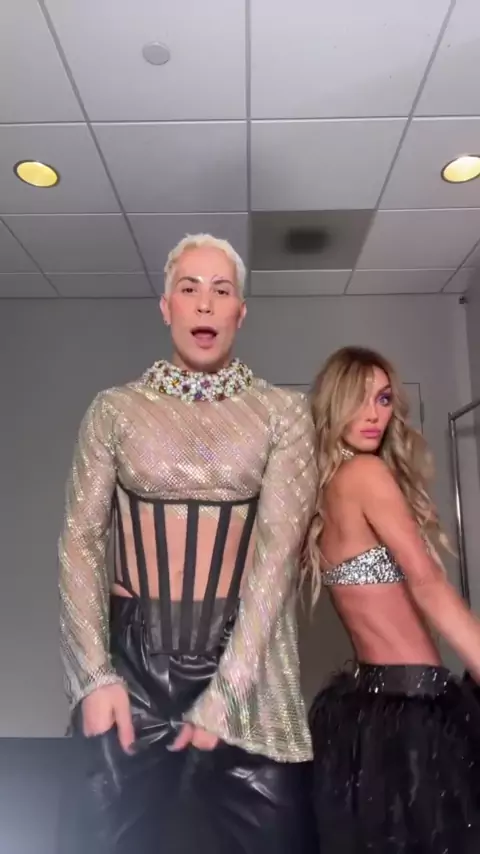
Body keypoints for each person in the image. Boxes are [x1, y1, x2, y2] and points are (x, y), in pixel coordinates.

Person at [58, 234, 318, 854]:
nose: (205, 303)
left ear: (240, 312)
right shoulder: (114, 410)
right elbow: (81, 541)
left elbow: (278, 556)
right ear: (166, 306)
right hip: (131, 668)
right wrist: (93, 677)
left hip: (247, 664)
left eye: (221, 291)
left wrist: (230, 690)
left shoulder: (282, 413)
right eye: (189, 288)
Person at [304, 346, 480, 854]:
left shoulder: (324, 491)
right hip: (417, 709)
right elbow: (427, 584)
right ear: (334, 404)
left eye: (382, 399)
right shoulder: (365, 475)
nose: (374, 414)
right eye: (358, 399)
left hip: (367, 712)